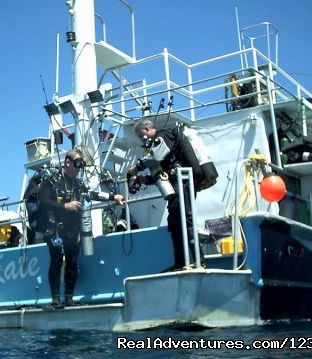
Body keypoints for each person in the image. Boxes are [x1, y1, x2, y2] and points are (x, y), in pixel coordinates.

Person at [37, 148, 124, 307]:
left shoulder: (77, 183)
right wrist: (65, 206)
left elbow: (92, 194)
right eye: (77, 164)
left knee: (72, 262)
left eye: (81, 165)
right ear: (68, 162)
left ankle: (69, 298)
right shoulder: (51, 181)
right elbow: (43, 202)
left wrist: (113, 197)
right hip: (54, 229)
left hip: (72, 230)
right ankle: (55, 300)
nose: (79, 168)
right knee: (56, 261)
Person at [127, 118, 206, 271]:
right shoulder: (157, 143)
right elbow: (162, 174)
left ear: (149, 129)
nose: (141, 139)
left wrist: (137, 168)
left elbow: (156, 157)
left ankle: (199, 261)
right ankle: (181, 263)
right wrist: (146, 180)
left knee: (185, 220)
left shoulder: (163, 136)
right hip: (175, 184)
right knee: (176, 224)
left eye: (141, 134)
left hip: (182, 183)